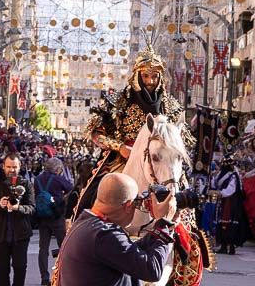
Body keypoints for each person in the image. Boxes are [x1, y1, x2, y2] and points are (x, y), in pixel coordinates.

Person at [76, 46, 192, 215]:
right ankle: (84, 226)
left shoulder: (172, 107)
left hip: (162, 160)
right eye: (145, 76)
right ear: (137, 76)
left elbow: (182, 139)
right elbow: (95, 132)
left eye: (154, 76)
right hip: (123, 158)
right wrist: (120, 147)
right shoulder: (119, 101)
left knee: (186, 201)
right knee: (92, 193)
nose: (150, 81)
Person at [0, 153, 36, 286]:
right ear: (3, 167)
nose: (11, 170)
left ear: (20, 167)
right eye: (8, 167)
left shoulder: (26, 184)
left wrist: (18, 208)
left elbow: (32, 208)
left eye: (14, 167)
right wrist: (0, 205)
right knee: (2, 270)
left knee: (20, 268)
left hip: (20, 235)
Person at [35, 156, 73, 285]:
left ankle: (44, 277)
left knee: (43, 247)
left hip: (41, 216)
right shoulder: (58, 179)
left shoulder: (37, 179)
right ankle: (63, 274)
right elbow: (70, 188)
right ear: (57, 169)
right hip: (56, 215)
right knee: (63, 245)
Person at [210, 157, 243, 255]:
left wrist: (220, 193)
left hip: (230, 202)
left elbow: (231, 189)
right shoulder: (220, 174)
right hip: (223, 201)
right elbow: (214, 183)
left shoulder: (233, 176)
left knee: (229, 223)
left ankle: (231, 246)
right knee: (221, 223)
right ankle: (223, 245)